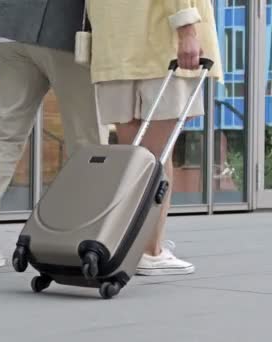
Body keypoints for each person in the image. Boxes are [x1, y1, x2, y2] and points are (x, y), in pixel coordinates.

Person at [0, 0, 108, 268]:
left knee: (3, 135)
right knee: (87, 142)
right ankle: (85, 235)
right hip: (69, 29)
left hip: (9, 29)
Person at [86, 0, 223, 275]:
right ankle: (150, 250)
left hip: (115, 48)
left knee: (133, 159)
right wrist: (188, 31)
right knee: (157, 158)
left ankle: (134, 242)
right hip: (160, 46)